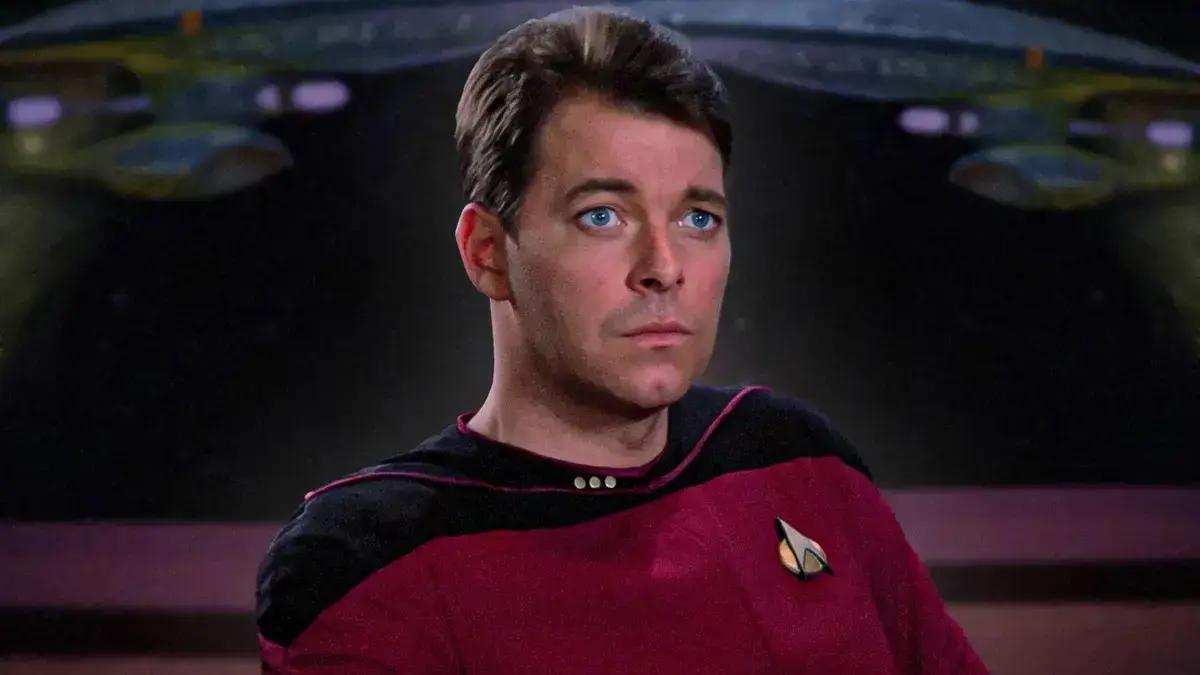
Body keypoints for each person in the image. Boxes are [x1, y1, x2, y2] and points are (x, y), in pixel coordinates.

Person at [256, 7, 988, 674]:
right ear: (487, 252)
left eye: (698, 219)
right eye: (602, 215)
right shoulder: (365, 560)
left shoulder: (796, 458)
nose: (664, 267)